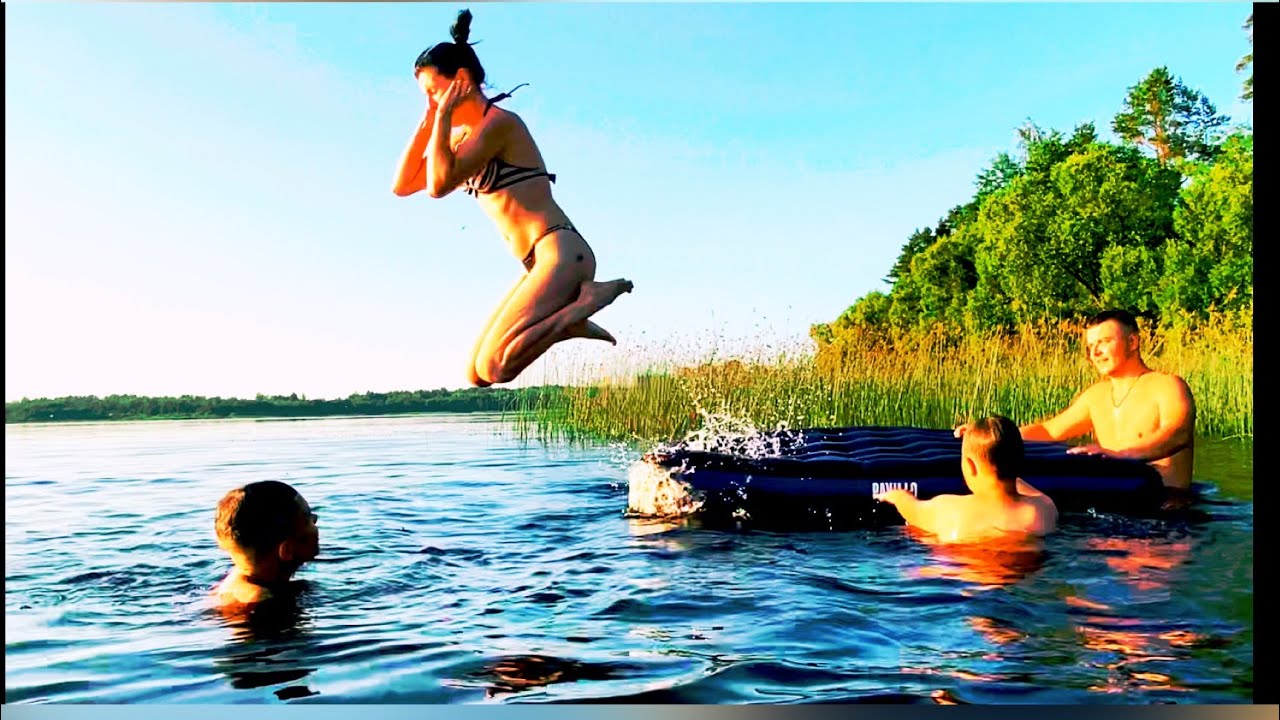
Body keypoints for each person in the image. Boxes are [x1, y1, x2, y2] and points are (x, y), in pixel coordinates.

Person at [392, 9, 633, 387]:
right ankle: (570, 323)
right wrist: (428, 119)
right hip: (538, 261)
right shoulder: (458, 140)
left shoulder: (500, 125)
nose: (433, 102)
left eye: (433, 91)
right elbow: (404, 185)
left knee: (497, 366)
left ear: (461, 80)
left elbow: (438, 186)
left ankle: (584, 305)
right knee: (475, 374)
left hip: (560, 252)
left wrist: (441, 120)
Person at [1013, 309, 1196, 490]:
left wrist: (1120, 454)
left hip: (1165, 506)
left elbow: (1178, 434)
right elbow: (1048, 431)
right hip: (1114, 501)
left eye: (1104, 342)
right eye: (1091, 346)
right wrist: (995, 441)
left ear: (1132, 341)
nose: (1095, 353)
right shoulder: (1096, 395)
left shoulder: (1167, 385)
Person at [875, 415, 1058, 543]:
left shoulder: (949, 510)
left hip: (964, 584)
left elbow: (912, 510)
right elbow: (1015, 479)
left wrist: (898, 496)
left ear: (970, 466)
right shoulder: (1042, 510)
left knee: (916, 561)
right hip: (1023, 581)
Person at [213, 480, 320, 609]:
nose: (315, 519)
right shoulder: (262, 602)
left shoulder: (234, 583)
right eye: (308, 518)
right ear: (286, 550)